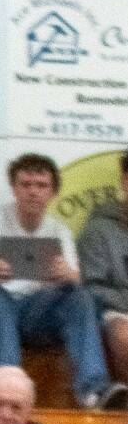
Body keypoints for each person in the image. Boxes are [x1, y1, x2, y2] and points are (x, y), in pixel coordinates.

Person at [0, 154, 112, 412]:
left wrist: (65, 275)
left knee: (79, 296)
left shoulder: (58, 230)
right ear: (14, 188)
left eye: (41, 186)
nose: (33, 192)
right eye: (25, 184)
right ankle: (11, 391)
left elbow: (76, 280)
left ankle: (93, 392)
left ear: (53, 193)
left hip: (34, 313)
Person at [76, 148, 128, 391]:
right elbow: (91, 288)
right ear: (125, 181)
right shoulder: (98, 230)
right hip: (115, 312)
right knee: (124, 336)